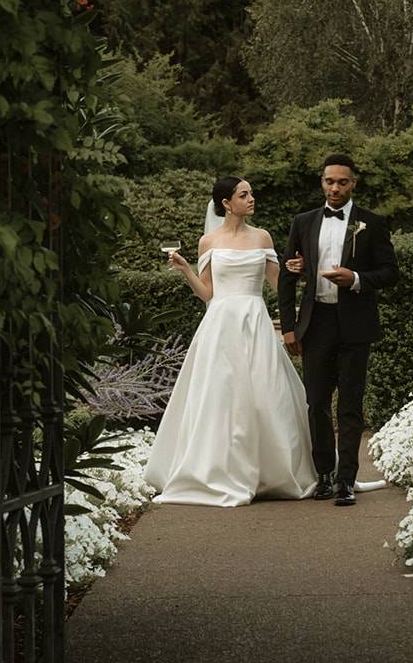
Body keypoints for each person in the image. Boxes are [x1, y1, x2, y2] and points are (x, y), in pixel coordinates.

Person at [143, 176, 318, 506]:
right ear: (226, 203)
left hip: (254, 321)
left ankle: (272, 471)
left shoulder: (262, 237)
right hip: (221, 325)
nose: (251, 199)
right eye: (244, 194)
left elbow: (280, 284)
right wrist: (185, 269)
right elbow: (208, 293)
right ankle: (219, 469)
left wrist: (300, 271)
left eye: (250, 193)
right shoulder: (207, 242)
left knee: (266, 393)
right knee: (221, 395)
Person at [278, 154, 400, 506]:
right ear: (322, 182)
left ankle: (347, 480)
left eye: (342, 182)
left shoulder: (372, 223)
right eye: (329, 181)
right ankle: (324, 475)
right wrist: (289, 328)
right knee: (316, 401)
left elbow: (391, 272)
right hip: (315, 324)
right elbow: (288, 275)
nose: (335, 188)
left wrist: (357, 279)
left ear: (353, 184)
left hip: (355, 324)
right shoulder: (303, 222)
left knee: (350, 404)